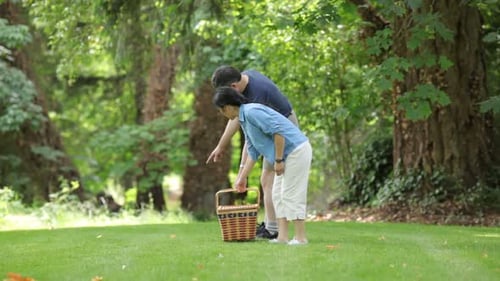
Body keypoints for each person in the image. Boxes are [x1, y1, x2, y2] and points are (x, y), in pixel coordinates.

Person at [206, 65, 299, 239]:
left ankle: (273, 229)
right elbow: (235, 117)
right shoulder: (245, 77)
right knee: (267, 180)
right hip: (276, 128)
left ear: (233, 87)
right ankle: (272, 226)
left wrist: (242, 173)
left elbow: (252, 141)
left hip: (283, 130)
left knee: (268, 180)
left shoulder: (257, 97)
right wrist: (221, 146)